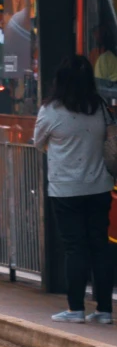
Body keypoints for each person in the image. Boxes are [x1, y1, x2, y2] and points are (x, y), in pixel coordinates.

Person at [34, 53, 115, 325]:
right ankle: (104, 310)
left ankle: (75, 308)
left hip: (66, 189)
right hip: (99, 187)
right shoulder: (100, 107)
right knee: (99, 246)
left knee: (74, 248)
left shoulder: (51, 110)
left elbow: (37, 142)